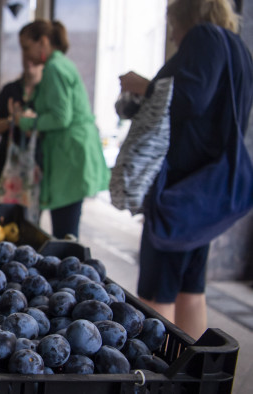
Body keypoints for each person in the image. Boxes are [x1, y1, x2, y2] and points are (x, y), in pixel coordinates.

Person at [119, 0, 253, 339]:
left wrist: (145, 87)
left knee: (155, 294)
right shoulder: (236, 46)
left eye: (173, 26)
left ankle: (158, 375)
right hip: (204, 189)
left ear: (187, 16)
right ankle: (194, 375)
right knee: (191, 289)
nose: (174, 37)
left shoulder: (203, 37)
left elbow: (190, 99)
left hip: (178, 187)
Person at [16, 20, 110, 239]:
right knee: (67, 228)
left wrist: (26, 122)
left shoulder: (54, 68)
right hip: (71, 153)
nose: (26, 55)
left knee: (65, 232)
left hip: (68, 155)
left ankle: (70, 271)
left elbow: (61, 117)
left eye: (27, 47)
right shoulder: (62, 64)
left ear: (44, 42)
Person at [0, 58, 43, 194]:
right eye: (26, 53)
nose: (30, 60)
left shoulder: (45, 94)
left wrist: (31, 125)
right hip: (6, 161)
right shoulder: (10, 90)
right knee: (2, 209)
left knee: (30, 212)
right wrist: (12, 120)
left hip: (35, 163)